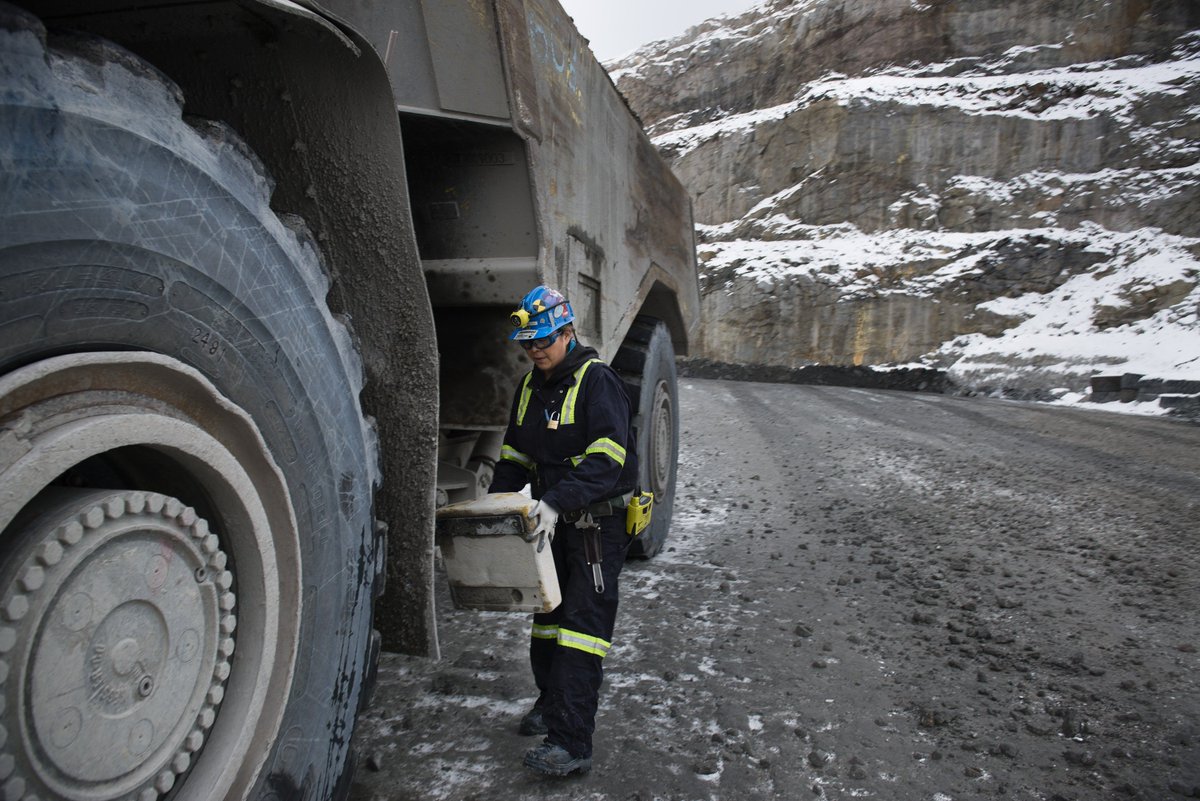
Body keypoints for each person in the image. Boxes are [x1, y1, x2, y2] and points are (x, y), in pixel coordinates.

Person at [488, 285, 638, 777]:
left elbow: (608, 461)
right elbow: (515, 455)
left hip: (597, 525)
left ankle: (572, 743)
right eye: (528, 343)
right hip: (554, 523)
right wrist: (495, 507)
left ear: (568, 332)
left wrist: (555, 501)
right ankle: (551, 703)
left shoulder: (598, 382)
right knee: (548, 618)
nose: (535, 350)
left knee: (581, 630)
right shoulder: (531, 387)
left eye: (544, 340)